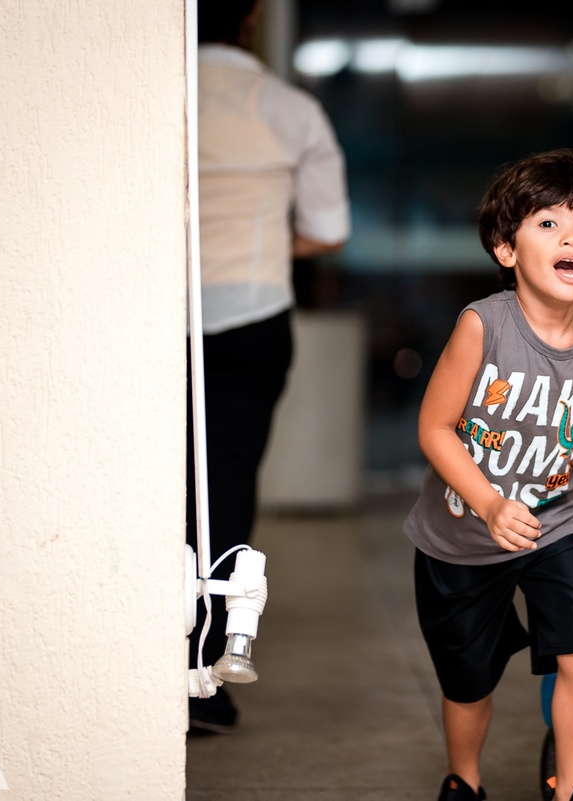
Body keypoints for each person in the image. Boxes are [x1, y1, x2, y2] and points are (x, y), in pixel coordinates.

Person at [402, 149, 573, 801]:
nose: (571, 237)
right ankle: (465, 779)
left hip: (557, 518)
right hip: (460, 533)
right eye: (549, 224)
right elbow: (434, 427)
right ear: (506, 249)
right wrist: (487, 502)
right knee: (468, 678)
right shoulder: (483, 325)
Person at [187, 0, 351, 733]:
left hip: (153, 320)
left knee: (148, 492)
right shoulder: (290, 109)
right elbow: (328, 230)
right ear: (251, 18)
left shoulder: (151, 98)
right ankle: (205, 676)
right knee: (225, 492)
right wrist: (252, 251)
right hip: (252, 320)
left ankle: (127, 657)